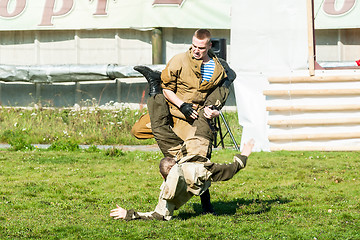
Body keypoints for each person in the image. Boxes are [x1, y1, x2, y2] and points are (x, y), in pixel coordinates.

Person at [110, 139, 254, 221]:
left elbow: (157, 215)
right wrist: (244, 154)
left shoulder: (166, 195)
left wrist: (128, 214)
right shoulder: (197, 169)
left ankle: (207, 207)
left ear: (162, 176)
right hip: (199, 172)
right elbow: (228, 171)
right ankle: (207, 208)